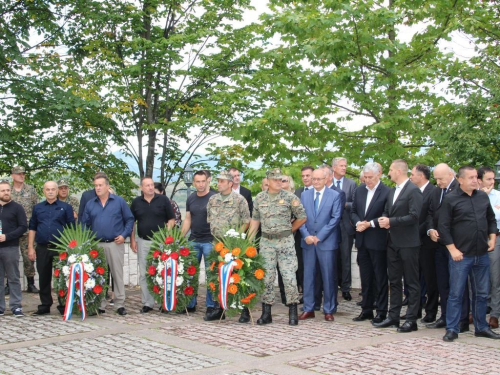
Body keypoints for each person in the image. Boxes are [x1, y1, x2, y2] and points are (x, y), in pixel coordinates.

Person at [439, 166, 500, 342]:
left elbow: (490, 219)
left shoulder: (482, 196)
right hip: (461, 255)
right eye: (471, 177)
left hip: (481, 253)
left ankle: (481, 327)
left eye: (476, 177)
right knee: (456, 294)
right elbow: (443, 227)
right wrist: (452, 249)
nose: (476, 180)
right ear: (460, 180)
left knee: (481, 293)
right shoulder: (451, 199)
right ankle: (452, 328)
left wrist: (492, 238)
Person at [248, 168, 307, 326]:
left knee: (289, 278)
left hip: (285, 243)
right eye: (275, 180)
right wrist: (249, 241)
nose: (279, 182)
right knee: (266, 278)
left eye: (281, 180)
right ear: (268, 181)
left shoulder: (290, 197)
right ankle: (266, 313)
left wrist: (290, 230)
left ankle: (292, 311)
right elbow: (255, 220)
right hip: (267, 242)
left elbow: (302, 217)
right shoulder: (260, 198)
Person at [375, 159, 422, 333]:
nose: (389, 173)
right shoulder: (392, 191)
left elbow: (415, 216)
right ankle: (393, 316)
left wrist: (391, 221)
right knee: (394, 281)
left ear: (399, 171)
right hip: (392, 242)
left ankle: (411, 319)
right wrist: (385, 220)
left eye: (390, 170)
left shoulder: (413, 191)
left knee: (411, 282)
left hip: (409, 243)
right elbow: (388, 210)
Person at [81, 174, 134, 316]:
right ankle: (100, 304)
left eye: (100, 185)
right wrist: (88, 241)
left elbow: (129, 219)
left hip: (115, 244)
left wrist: (124, 235)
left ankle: (119, 304)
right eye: (96, 185)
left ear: (107, 186)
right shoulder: (90, 203)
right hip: (97, 245)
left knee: (117, 275)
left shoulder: (119, 202)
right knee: (98, 275)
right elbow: (84, 224)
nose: (98, 188)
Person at [425, 163, 470, 332]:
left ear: (451, 175)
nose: (438, 182)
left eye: (440, 178)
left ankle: (462, 320)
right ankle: (445, 316)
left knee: (459, 285)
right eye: (435, 178)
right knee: (443, 283)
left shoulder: (460, 190)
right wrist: (430, 230)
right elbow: (430, 213)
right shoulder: (437, 192)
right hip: (439, 246)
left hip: (457, 245)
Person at [207, 171, 251, 322]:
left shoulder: (240, 200)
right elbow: (210, 220)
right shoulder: (212, 199)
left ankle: (244, 310)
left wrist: (236, 237)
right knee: (217, 275)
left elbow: (246, 221)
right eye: (218, 181)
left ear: (230, 183)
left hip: (234, 245)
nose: (219, 183)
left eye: (222, 181)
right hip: (217, 243)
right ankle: (219, 309)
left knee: (239, 276)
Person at [298, 168, 341, 322]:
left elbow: (335, 218)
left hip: (326, 243)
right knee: (308, 276)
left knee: (328, 277)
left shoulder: (335, 195)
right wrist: (306, 235)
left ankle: (329, 309)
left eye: (318, 179)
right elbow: (300, 217)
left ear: (326, 179)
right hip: (308, 242)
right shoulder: (304, 195)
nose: (315, 182)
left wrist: (319, 236)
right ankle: (308, 308)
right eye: (313, 179)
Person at [350, 163, 390, 323]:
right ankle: (366, 309)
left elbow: (386, 214)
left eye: (370, 177)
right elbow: (353, 211)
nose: (367, 181)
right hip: (362, 240)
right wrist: (358, 222)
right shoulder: (359, 190)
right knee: (365, 276)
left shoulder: (387, 191)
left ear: (379, 175)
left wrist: (369, 223)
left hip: (378, 240)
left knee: (380, 277)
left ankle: (381, 311)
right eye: (365, 177)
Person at [28, 181, 75, 315]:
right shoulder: (37, 208)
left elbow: (71, 228)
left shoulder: (65, 207)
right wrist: (31, 247)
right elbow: (32, 228)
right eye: (47, 189)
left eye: (53, 189)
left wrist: (71, 248)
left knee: (61, 277)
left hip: (60, 248)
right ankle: (45, 305)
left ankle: (63, 305)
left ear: (57, 191)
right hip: (42, 248)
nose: (50, 191)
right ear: (44, 191)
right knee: (43, 276)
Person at [130, 177, 175, 314]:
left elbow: (171, 219)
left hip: (160, 242)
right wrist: (133, 240)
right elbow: (132, 222)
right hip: (143, 241)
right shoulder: (136, 202)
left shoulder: (163, 200)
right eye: (147, 185)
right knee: (144, 273)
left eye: (151, 185)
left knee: (162, 271)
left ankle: (164, 302)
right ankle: (147, 303)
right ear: (141, 188)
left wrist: (165, 237)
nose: (150, 187)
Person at [181, 170, 219, 320]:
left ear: (208, 180)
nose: (200, 184)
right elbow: (188, 219)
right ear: (194, 182)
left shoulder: (215, 198)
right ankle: (190, 304)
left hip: (210, 241)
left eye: (203, 181)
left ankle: (211, 305)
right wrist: (180, 238)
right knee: (190, 273)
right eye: (197, 182)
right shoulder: (191, 198)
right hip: (194, 241)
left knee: (211, 275)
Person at [410, 164, 439, 323]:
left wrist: (416, 232)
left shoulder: (433, 192)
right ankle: (415, 310)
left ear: (421, 176)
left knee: (429, 279)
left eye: (413, 174)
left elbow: (430, 217)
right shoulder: (413, 191)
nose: (411, 177)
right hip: (413, 242)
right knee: (415, 278)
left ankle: (431, 311)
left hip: (427, 243)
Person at [0, 180, 28, 317]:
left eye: (7, 190)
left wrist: (7, 236)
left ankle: (16, 306)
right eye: (2, 190)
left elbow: (23, 227)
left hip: (10, 247)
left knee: (14, 278)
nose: (6, 193)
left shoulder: (17, 208)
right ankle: (0, 307)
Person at [10, 165, 39, 294]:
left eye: (23, 173)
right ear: (12, 176)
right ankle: (8, 284)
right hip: (10, 231)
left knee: (29, 257)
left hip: (27, 230)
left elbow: (36, 209)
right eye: (18, 174)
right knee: (10, 258)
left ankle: (31, 283)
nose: (21, 175)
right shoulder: (7, 190)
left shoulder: (31, 190)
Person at [477, 167, 500, 329]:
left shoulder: (498, 196)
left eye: (493, 179)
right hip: (475, 240)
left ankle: (495, 314)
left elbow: (495, 218)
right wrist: (483, 198)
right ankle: (474, 311)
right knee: (474, 277)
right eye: (489, 179)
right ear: (479, 180)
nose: (492, 182)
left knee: (494, 277)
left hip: (494, 239)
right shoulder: (474, 196)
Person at [332, 157, 357, 301]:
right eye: (341, 166)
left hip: (346, 225)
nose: (344, 168)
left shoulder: (351, 184)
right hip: (331, 225)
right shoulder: (328, 182)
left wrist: (343, 204)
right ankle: (333, 286)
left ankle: (346, 288)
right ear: (334, 167)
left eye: (345, 166)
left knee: (346, 257)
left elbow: (356, 203)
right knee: (332, 256)